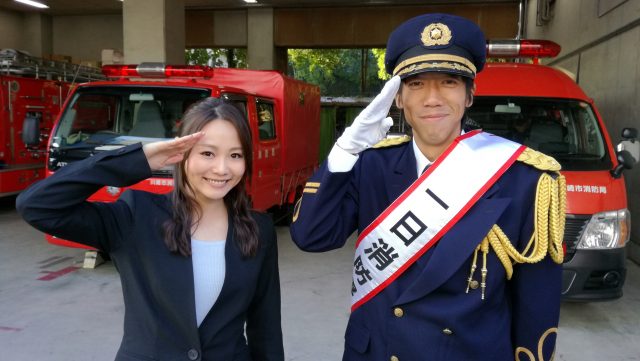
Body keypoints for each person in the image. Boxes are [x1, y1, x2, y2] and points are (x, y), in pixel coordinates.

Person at [290, 13, 565, 361]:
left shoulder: (523, 178)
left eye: (449, 82)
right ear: (399, 98)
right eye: (416, 83)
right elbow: (310, 236)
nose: (432, 98)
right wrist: (345, 151)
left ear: (469, 95)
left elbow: (535, 305)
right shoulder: (370, 164)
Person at [17, 98, 284, 361]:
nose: (222, 168)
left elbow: (266, 330)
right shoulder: (136, 215)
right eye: (207, 153)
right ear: (181, 153)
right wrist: (139, 158)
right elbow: (37, 205)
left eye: (235, 155)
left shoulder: (258, 230)